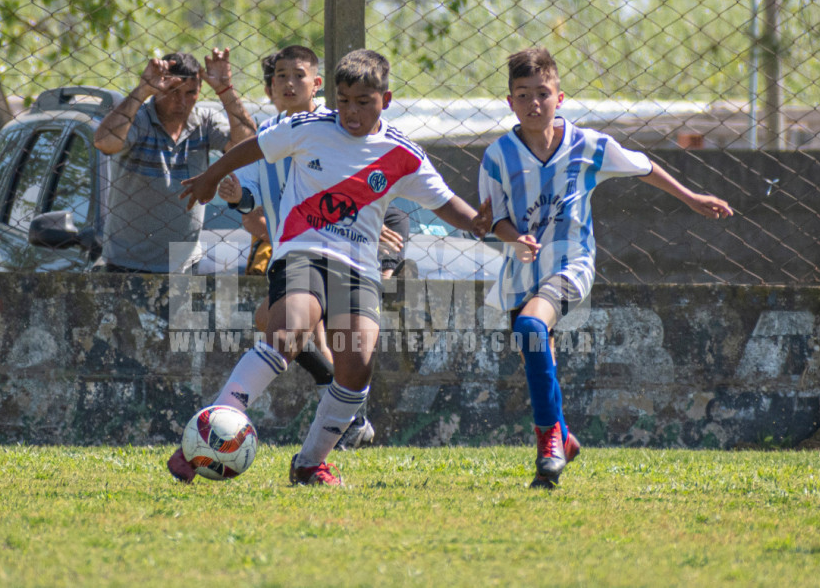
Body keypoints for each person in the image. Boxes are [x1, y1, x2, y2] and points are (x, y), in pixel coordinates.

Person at [171, 48, 491, 486]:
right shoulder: (307, 128)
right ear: (333, 97)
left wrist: (482, 223)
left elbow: (448, 205)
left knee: (356, 363)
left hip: (358, 268)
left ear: (386, 99)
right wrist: (212, 177)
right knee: (286, 328)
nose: (352, 112)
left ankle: (308, 464)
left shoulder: (402, 153)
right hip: (302, 252)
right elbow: (253, 148)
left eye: (364, 102)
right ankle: (202, 439)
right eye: (344, 101)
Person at [479, 47, 734, 489]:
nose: (534, 103)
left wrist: (692, 198)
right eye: (524, 95)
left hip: (571, 264)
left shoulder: (589, 145)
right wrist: (512, 236)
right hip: (521, 270)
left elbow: (646, 166)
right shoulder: (498, 156)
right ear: (510, 102)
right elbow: (495, 218)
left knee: (532, 330)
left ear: (560, 97)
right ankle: (563, 437)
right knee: (539, 353)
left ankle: (548, 448)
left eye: (543, 93)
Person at [223, 45, 380, 452]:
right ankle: (350, 420)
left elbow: (376, 167)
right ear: (271, 85)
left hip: (338, 253)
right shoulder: (267, 137)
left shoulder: (336, 126)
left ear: (316, 83)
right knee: (290, 329)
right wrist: (237, 193)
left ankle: (343, 421)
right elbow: (250, 197)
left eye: (298, 75)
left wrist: (386, 222)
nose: (288, 83)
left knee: (291, 328)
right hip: (291, 257)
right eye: (280, 76)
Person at [93, 49, 256, 273]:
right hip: (125, 263)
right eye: (172, 91)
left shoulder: (204, 122)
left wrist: (225, 89)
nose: (181, 101)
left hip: (185, 263)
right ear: (157, 89)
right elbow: (105, 142)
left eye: (191, 93)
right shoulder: (139, 120)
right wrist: (141, 90)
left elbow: (248, 146)